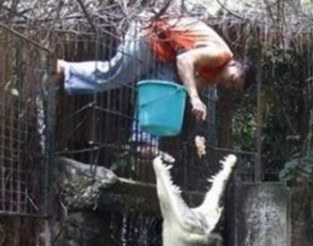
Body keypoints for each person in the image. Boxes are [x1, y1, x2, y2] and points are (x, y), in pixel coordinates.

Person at [56, 14, 253, 157]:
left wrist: (197, 105)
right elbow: (185, 61)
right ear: (233, 65)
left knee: (164, 91)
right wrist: (195, 98)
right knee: (115, 74)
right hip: (151, 32)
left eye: (232, 86)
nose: (229, 84)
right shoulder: (220, 54)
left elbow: (182, 90)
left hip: (166, 52)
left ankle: (145, 143)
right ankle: (65, 69)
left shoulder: (215, 73)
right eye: (233, 79)